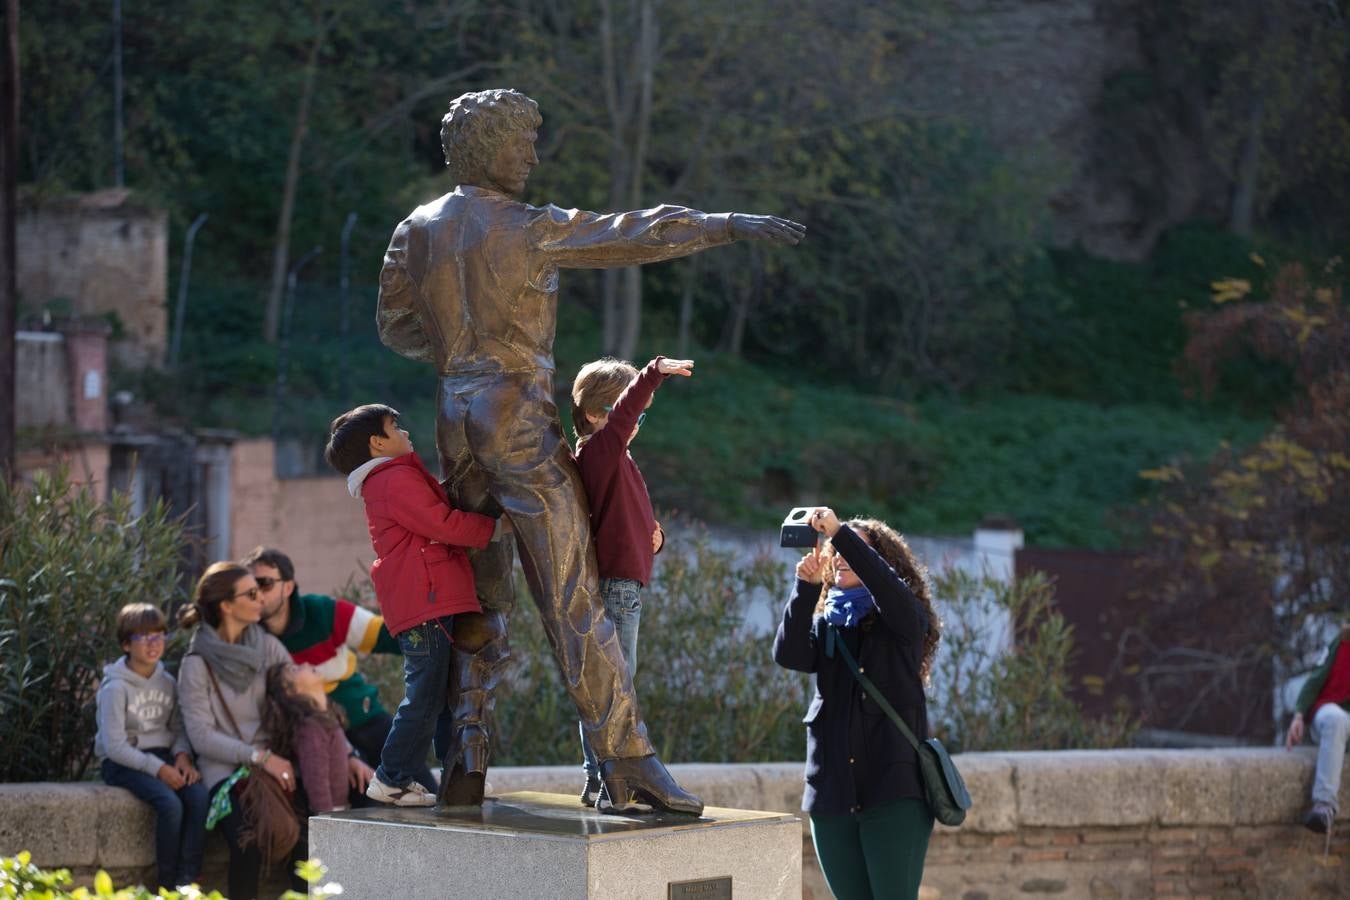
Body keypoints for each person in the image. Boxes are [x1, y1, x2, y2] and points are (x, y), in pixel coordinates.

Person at [376, 87, 805, 814]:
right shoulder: (528, 226)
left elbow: (396, 327)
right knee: (573, 597)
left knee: (481, 590)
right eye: (523, 144)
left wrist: (461, 356)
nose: (534, 157)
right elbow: (636, 233)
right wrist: (724, 225)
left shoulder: (414, 229)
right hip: (516, 412)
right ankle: (629, 759)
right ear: (488, 148)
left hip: (455, 412)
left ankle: (467, 757)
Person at [324, 402, 503, 807]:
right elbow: (439, 522)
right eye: (395, 426)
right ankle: (392, 778)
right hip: (426, 601)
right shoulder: (392, 481)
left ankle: (456, 776)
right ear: (377, 442)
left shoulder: (394, 476)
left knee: (439, 694)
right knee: (424, 694)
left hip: (429, 598)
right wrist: (493, 529)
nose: (405, 432)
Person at [772, 507, 943, 900]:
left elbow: (890, 592)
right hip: (831, 796)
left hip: (894, 795)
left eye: (852, 550)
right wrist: (806, 589)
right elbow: (789, 655)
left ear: (882, 562)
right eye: (836, 551)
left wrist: (840, 531)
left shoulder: (903, 621)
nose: (841, 557)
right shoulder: (827, 621)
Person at [568, 354, 690, 807]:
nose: (636, 422)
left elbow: (626, 519)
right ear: (599, 414)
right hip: (617, 587)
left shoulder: (616, 459)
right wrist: (653, 372)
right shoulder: (600, 451)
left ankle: (599, 779)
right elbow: (623, 414)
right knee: (615, 686)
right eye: (631, 414)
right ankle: (607, 778)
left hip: (626, 584)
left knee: (611, 683)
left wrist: (656, 538)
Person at [177, 562, 304, 900]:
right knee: (246, 844)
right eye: (251, 593)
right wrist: (260, 757)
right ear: (226, 606)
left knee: (308, 841)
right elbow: (201, 736)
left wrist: (347, 754)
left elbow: (305, 698)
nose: (260, 598)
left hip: (275, 769)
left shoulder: (267, 647)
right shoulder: (196, 663)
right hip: (226, 772)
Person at [244, 546, 411, 795]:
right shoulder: (252, 639)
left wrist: (433, 641)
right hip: (318, 738)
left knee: (423, 789)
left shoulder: (321, 611)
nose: (258, 595)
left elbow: (385, 635)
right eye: (251, 589)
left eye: (265, 584)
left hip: (366, 718)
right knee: (363, 804)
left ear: (288, 587)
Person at [94, 603, 207, 890]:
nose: (153, 644)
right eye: (143, 638)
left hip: (163, 757)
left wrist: (182, 757)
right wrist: (159, 770)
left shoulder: (168, 681)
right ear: (125, 644)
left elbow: (178, 729)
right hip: (121, 762)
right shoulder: (115, 688)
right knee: (170, 804)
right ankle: (167, 886)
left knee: (198, 798)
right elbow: (115, 746)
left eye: (159, 636)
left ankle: (188, 880)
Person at [1284, 622, 1350, 837]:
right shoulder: (1341, 643)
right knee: (1336, 718)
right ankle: (1324, 806)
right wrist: (1299, 715)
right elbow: (1314, 680)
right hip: (1329, 713)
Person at [263, 662, 352, 814]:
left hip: (341, 812)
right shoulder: (311, 729)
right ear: (291, 690)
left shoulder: (326, 716)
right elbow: (316, 782)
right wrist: (327, 822)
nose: (304, 664)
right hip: (332, 817)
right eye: (295, 669)